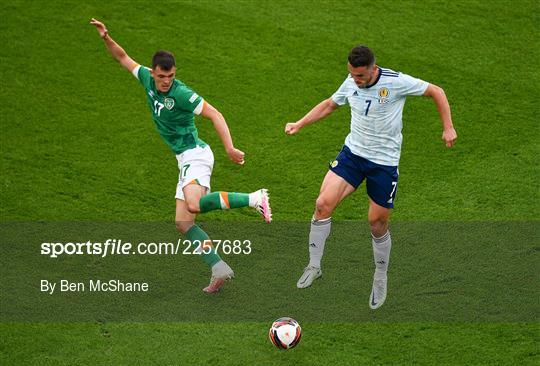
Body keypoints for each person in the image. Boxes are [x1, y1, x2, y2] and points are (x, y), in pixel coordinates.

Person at [90, 18, 272, 294]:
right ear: (153, 73)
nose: (166, 82)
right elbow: (123, 58)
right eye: (162, 77)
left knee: (194, 205)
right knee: (184, 222)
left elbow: (215, 114)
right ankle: (218, 267)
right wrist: (106, 37)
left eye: (171, 76)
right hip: (183, 160)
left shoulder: (183, 94)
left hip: (195, 155)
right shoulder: (146, 79)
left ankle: (254, 198)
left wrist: (230, 148)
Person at [285, 45, 457, 309]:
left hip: (383, 164)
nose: (356, 81)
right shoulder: (351, 81)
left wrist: (448, 127)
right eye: (353, 75)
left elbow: (437, 91)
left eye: (361, 77)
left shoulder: (396, 82)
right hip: (353, 155)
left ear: (373, 69)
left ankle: (380, 275)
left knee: (376, 224)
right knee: (322, 205)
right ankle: (314, 265)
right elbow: (330, 105)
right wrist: (300, 123)